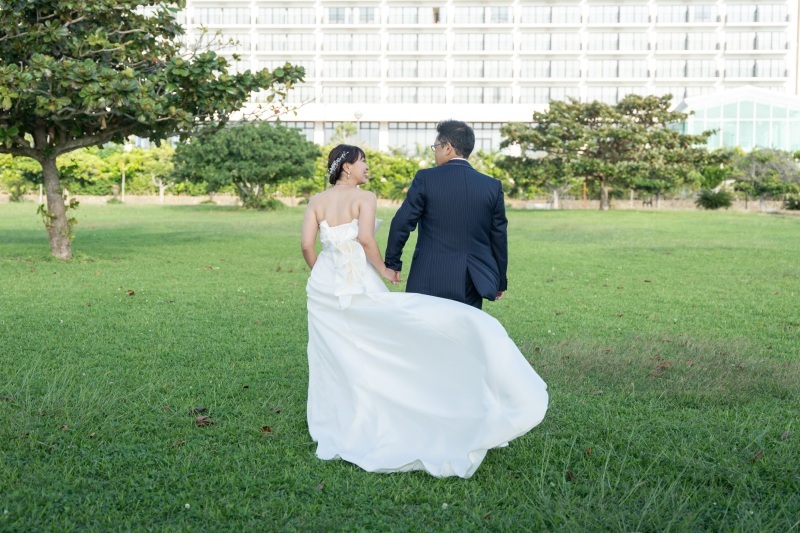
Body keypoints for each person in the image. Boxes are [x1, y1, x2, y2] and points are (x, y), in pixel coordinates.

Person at [301, 144, 548, 479]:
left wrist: (321, 272)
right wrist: (386, 271)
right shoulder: (365, 198)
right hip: (357, 281)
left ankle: (343, 414)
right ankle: (401, 399)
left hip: (324, 287)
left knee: (334, 351)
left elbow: (306, 245)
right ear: (347, 168)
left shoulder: (315, 202)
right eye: (364, 162)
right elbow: (366, 240)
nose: (367, 167)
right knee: (384, 336)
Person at [384, 120, 507, 310]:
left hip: (428, 274)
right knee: (462, 334)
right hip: (471, 279)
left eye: (436, 147)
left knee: (426, 333)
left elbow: (402, 222)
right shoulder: (491, 186)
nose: (435, 152)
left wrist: (392, 262)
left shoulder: (426, 179)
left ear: (448, 147)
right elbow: (498, 237)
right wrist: (499, 280)